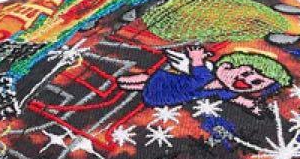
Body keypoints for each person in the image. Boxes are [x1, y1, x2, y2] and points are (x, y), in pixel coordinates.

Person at [119, 45, 290, 110]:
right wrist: (197, 57)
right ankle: (122, 82)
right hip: (171, 83)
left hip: (172, 96)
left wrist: (249, 104)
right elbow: (198, 68)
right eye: (246, 73)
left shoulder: (222, 89)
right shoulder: (207, 76)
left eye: (256, 82)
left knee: (146, 85)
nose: (245, 81)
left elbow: (234, 98)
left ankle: (126, 83)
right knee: (146, 81)